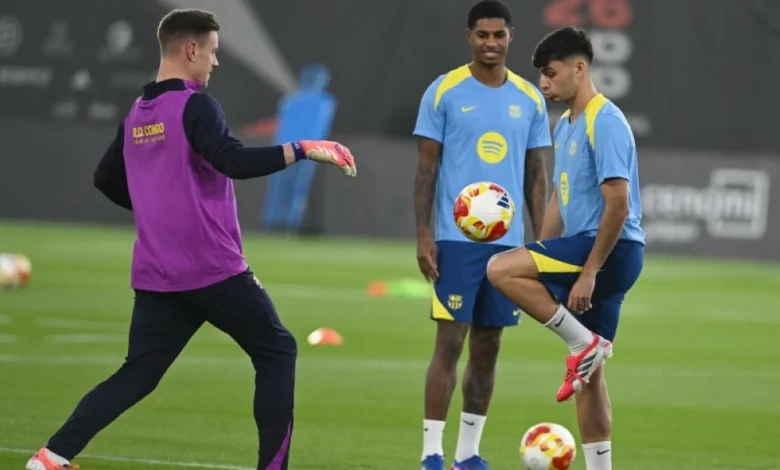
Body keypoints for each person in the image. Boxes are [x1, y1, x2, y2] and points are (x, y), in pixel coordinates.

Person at [25, 9, 356, 470]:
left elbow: (105, 179)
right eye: (214, 52)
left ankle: (49, 457)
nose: (215, 62)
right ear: (192, 49)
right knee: (277, 350)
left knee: (138, 374)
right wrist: (303, 148)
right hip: (211, 268)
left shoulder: (137, 113)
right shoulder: (196, 106)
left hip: (158, 273)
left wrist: (160, 210)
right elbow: (233, 161)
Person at [485, 26, 645, 470]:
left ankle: (582, 342)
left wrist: (589, 271)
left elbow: (618, 202)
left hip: (609, 251)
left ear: (579, 68)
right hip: (598, 251)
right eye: (541, 75)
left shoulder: (604, 120)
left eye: (551, 73)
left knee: (499, 270)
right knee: (589, 378)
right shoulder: (567, 125)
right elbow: (560, 195)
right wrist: (537, 251)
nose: (544, 83)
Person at [412, 1, 552, 468]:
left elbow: (536, 176)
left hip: (508, 246)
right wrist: (424, 235)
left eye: (499, 34)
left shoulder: (529, 99)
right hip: (456, 240)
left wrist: (543, 244)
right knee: (450, 342)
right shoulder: (444, 91)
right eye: (482, 34)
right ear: (468, 37)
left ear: (511, 36)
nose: (491, 42)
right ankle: (432, 453)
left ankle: (468, 454)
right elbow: (426, 169)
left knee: (489, 347)